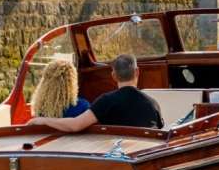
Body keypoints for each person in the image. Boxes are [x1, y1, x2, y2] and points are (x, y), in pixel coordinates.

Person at [29, 54, 163, 131]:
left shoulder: (105, 102)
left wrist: (41, 120)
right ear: (137, 72)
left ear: (113, 76)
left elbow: (76, 125)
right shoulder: (153, 104)